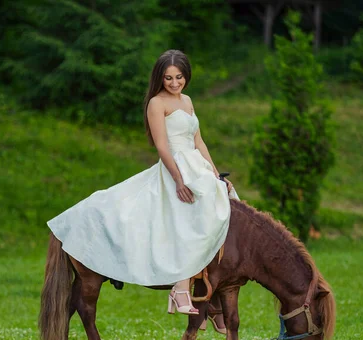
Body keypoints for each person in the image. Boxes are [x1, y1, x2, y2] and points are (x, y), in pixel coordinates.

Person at [47, 49, 238, 317]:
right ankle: (181, 286)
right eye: (168, 78)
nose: (174, 83)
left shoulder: (187, 101)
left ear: (186, 76)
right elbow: (162, 146)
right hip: (174, 166)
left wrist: (217, 175)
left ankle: (210, 295)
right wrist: (178, 180)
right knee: (187, 215)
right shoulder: (156, 104)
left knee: (223, 205)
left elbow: (198, 141)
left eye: (179, 77)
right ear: (160, 78)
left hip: (196, 165)